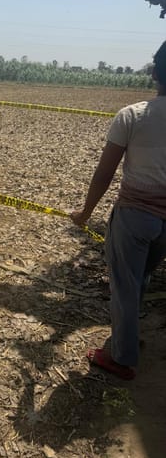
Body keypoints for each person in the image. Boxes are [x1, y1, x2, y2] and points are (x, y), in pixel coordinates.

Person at [71, 40, 166, 380]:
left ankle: (122, 359)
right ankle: (129, 336)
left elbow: (104, 174)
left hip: (135, 217)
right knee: (141, 277)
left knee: (125, 285)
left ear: (154, 73)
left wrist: (84, 214)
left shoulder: (132, 115)